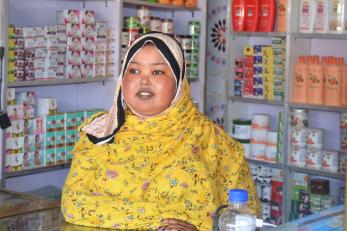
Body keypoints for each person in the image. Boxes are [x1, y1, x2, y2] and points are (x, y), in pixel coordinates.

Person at [61, 32, 260, 230]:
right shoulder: (100, 133)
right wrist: (164, 220)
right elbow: (73, 204)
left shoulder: (213, 142)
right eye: (134, 71)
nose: (144, 81)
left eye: (157, 72)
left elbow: (247, 218)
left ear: (179, 82)